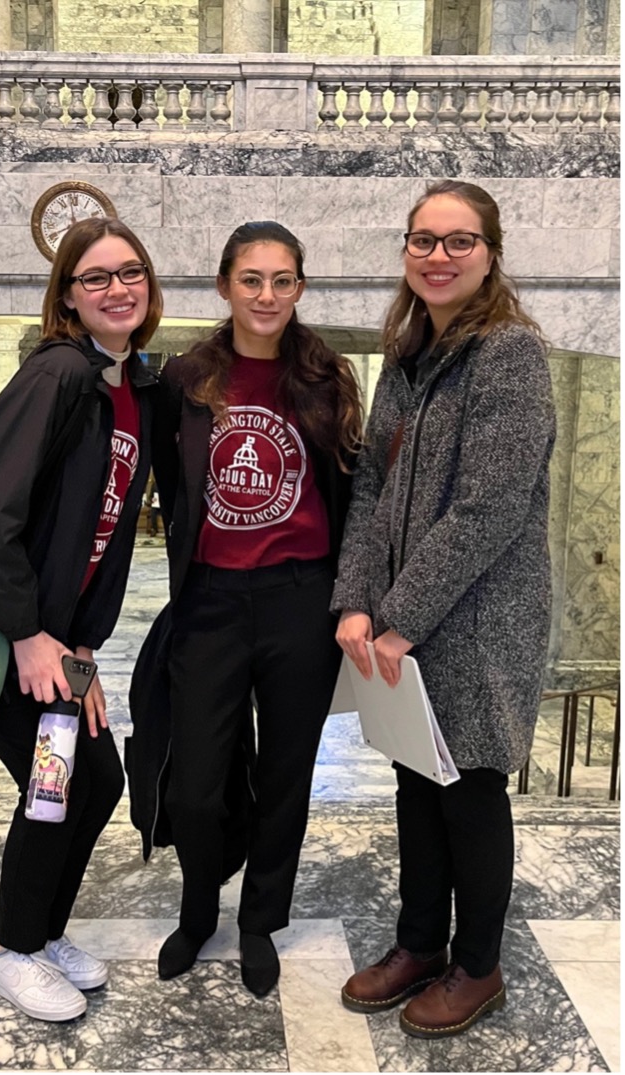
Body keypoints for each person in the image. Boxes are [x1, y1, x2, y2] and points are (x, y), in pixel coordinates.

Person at [0, 217, 162, 1021]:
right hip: (2, 628)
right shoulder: (58, 374)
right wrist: (26, 634)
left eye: (131, 273)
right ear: (69, 298)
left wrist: (78, 642)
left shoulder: (131, 388)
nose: (117, 288)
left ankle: (42, 934)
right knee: (57, 786)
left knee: (99, 777)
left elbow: (98, 528)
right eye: (96, 278)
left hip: (61, 636)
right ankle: (11, 948)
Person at [332, 180, 555, 1038]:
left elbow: (487, 508)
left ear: (491, 252)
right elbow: (373, 488)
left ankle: (478, 963)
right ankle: (419, 942)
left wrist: (401, 614)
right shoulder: (406, 354)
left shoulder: (509, 353)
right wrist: (355, 599)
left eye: (459, 241)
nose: (438, 255)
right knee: (415, 778)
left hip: (482, 615)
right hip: (402, 614)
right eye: (423, 240)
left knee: (470, 788)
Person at [152, 220, 363, 997]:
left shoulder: (328, 375)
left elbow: (351, 493)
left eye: (282, 280)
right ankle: (200, 903)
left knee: (285, 772)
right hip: (209, 597)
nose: (266, 294)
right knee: (197, 782)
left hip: (299, 600)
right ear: (224, 285)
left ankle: (258, 919)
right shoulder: (185, 377)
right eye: (251, 279)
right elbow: (171, 489)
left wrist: (355, 599)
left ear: (300, 288)